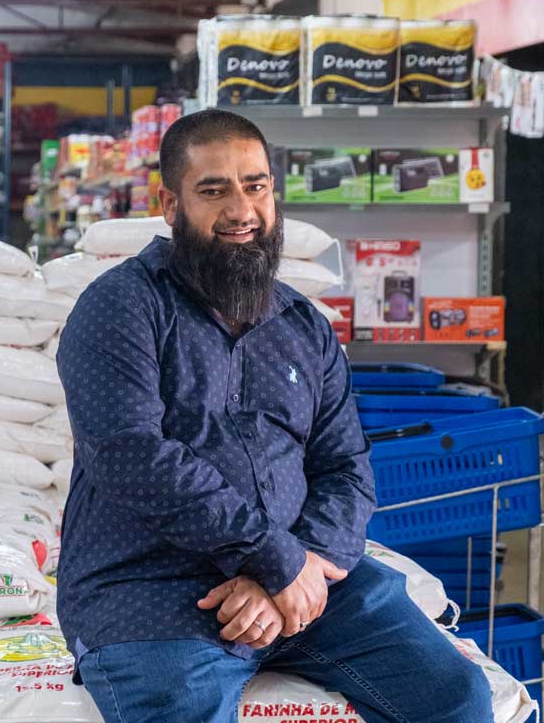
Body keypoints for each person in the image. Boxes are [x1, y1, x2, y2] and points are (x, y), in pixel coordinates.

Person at [55, 108, 494, 723]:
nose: (242, 210)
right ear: (170, 204)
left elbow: (346, 465)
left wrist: (302, 566)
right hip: (152, 591)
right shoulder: (121, 307)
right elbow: (130, 452)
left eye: (255, 185)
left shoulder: (301, 323)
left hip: (308, 582)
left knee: (456, 696)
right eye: (214, 190)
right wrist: (273, 560)